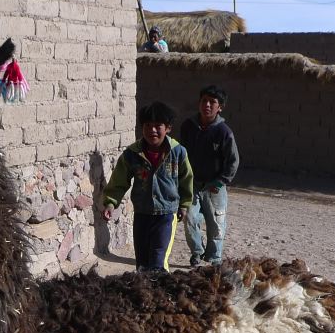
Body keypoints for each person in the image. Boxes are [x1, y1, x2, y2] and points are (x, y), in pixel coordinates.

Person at [102, 101, 193, 273]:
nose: (152, 130)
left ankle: (161, 296)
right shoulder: (132, 154)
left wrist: (185, 205)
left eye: (158, 126)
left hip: (166, 215)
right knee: (142, 263)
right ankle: (144, 297)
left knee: (158, 261)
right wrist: (110, 202)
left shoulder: (178, 152)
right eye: (147, 126)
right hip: (142, 214)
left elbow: (186, 180)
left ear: (168, 128)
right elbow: (118, 182)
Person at [179, 84, 239, 266]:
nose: (207, 105)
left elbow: (233, 161)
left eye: (212, 102)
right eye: (204, 100)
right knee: (189, 218)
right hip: (192, 184)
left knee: (216, 224)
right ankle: (197, 253)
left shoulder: (224, 132)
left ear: (219, 107)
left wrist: (220, 182)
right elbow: (181, 155)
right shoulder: (188, 126)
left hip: (215, 185)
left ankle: (214, 258)